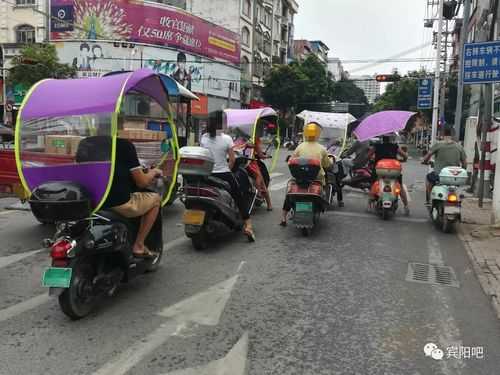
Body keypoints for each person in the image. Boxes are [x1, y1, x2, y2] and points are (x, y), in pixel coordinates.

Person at [100, 122, 163, 259]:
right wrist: (153, 172)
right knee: (156, 199)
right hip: (118, 203)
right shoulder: (124, 146)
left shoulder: (86, 145)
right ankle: (139, 244)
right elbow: (142, 182)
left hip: (95, 201)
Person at [200, 111, 255, 241]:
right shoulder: (227, 139)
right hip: (223, 174)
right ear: (221, 123)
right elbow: (232, 160)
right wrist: (227, 170)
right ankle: (248, 225)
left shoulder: (204, 137)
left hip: (206, 175)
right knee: (238, 196)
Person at [280, 122, 333, 226]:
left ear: (305, 133)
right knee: (325, 185)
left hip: (299, 177)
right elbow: (327, 165)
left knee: (289, 196)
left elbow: (292, 159)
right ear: (317, 134)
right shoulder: (322, 148)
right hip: (316, 178)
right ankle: (323, 201)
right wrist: (330, 162)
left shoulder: (300, 147)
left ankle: (283, 218)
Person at [422, 127, 467, 205]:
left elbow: (427, 156)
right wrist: (462, 171)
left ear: (442, 135)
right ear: (452, 135)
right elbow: (465, 163)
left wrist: (424, 161)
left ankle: (428, 200)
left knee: (428, 179)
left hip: (440, 175)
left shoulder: (438, 145)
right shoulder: (459, 147)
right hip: (455, 177)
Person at [368, 135, 410, 215]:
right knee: (399, 186)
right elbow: (405, 156)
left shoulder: (377, 146)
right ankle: (406, 206)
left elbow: (368, 156)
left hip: (380, 170)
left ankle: (369, 205)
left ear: (382, 138)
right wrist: (403, 159)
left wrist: (372, 159)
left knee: (373, 184)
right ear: (390, 138)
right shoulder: (395, 146)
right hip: (393, 170)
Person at [245, 135, 273, 211]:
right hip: (250, 163)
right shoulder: (254, 140)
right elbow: (260, 155)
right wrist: (266, 156)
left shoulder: (241, 139)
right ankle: (262, 197)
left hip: (241, 163)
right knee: (261, 181)